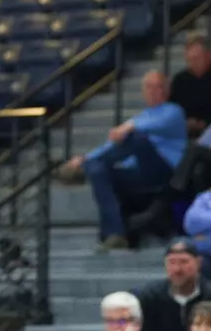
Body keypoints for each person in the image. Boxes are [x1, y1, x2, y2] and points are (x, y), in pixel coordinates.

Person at [55, 70, 187, 251]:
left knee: (137, 138)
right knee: (98, 169)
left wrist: (127, 127)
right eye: (149, 87)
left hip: (163, 171)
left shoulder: (174, 111)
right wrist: (87, 158)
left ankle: (84, 168)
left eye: (159, 86)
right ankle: (115, 234)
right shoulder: (139, 118)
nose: (154, 91)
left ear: (167, 90)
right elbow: (112, 145)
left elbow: (148, 127)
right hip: (138, 173)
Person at [172, 36, 211, 139]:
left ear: (209, 55)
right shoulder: (179, 81)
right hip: (187, 134)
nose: (193, 64)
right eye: (189, 60)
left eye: (197, 59)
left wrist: (205, 123)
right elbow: (173, 110)